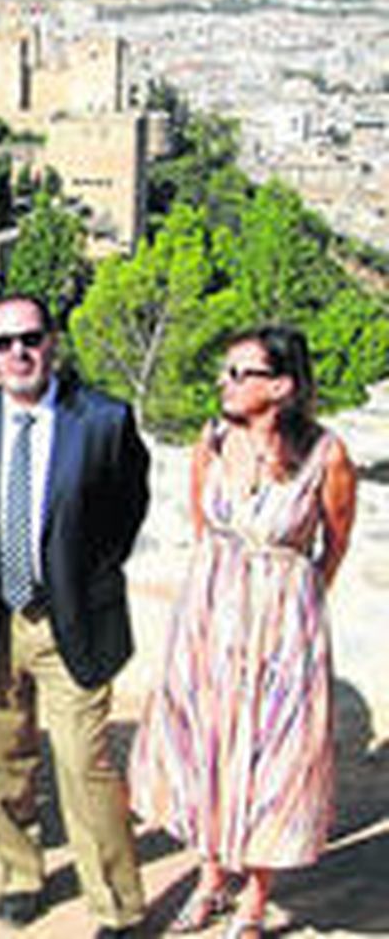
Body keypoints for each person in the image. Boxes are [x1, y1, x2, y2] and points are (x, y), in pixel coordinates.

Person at [129, 326, 357, 938]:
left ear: (281, 386)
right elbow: (206, 528)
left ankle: (254, 900)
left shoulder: (326, 456)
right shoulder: (211, 441)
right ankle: (210, 879)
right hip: (210, 618)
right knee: (208, 746)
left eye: (239, 372)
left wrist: (291, 606)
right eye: (225, 370)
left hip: (284, 625)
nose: (223, 382)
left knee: (273, 756)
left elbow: (334, 544)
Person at [0, 295, 149, 938]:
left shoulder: (104, 420)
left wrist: (82, 576)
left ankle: (116, 906)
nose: (19, 353)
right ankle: (20, 876)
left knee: (85, 766)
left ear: (52, 340)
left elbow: (127, 509)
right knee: (1, 761)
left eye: (30, 337)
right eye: (3, 342)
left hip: (72, 620)